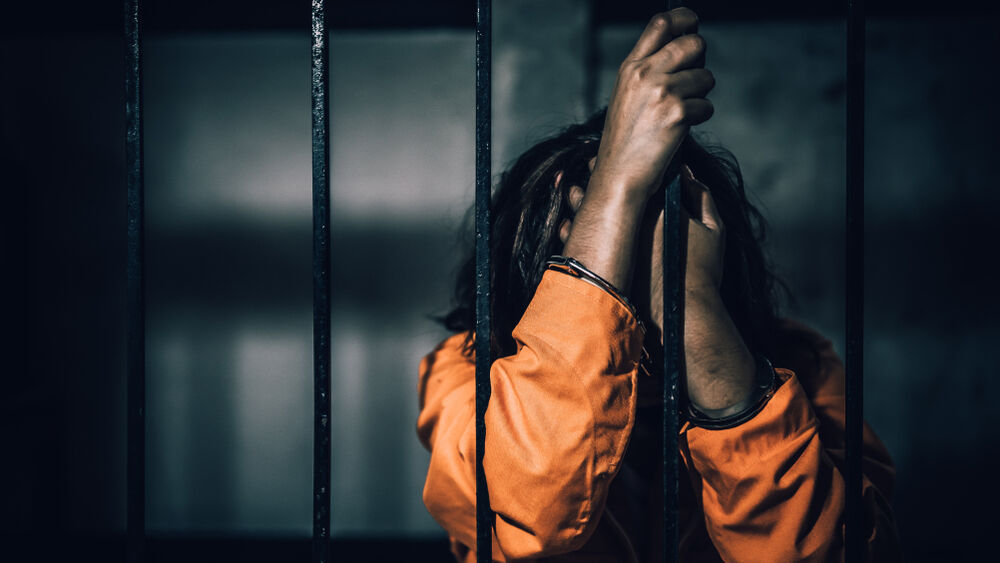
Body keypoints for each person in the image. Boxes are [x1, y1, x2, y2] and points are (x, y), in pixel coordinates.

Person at [416, 8, 900, 562]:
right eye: (598, 263)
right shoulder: (463, 373)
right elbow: (532, 523)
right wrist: (614, 192)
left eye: (649, 264)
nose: (628, 313)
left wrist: (690, 305)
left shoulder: (804, 367)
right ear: (528, 275)